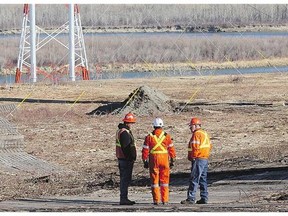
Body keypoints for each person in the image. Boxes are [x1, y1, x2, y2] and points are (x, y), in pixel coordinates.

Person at [142, 117, 176, 205]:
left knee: (154, 181)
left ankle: (156, 200)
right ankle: (165, 200)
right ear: (162, 126)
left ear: (153, 126)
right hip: (164, 159)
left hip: (153, 159)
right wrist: (172, 160)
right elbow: (171, 149)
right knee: (164, 181)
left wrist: (145, 160)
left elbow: (145, 150)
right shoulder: (167, 136)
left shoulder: (149, 136)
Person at [181, 117, 212, 205]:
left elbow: (195, 147)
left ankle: (191, 198)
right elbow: (210, 145)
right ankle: (204, 197)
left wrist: (193, 157)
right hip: (204, 158)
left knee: (194, 178)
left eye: (191, 126)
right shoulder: (204, 133)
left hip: (198, 158)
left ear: (195, 125)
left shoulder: (196, 134)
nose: (190, 128)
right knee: (203, 179)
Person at [115, 112, 137, 205]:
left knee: (124, 179)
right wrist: (131, 158)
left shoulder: (121, 131)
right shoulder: (124, 132)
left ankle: (124, 198)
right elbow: (127, 147)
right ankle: (123, 198)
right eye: (131, 123)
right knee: (125, 179)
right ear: (128, 122)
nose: (132, 125)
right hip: (125, 160)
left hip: (122, 159)